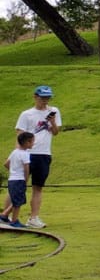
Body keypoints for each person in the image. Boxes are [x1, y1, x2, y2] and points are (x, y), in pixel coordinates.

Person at [4, 85, 60, 228]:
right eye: (42, 98)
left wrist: (52, 122)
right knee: (17, 185)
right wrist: (15, 155)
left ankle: (33, 217)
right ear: (35, 97)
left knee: (38, 187)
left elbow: (55, 132)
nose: (45, 101)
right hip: (26, 153)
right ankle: (6, 216)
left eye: (48, 98)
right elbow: (19, 135)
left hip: (44, 154)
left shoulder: (54, 111)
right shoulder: (26, 114)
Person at [2, 131, 35, 228]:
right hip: (19, 180)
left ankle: (4, 214)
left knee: (18, 199)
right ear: (27, 142)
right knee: (18, 202)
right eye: (32, 141)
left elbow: (6, 164)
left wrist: (13, 171)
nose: (33, 144)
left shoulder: (14, 152)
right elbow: (26, 168)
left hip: (12, 179)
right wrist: (25, 179)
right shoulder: (25, 154)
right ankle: (14, 221)